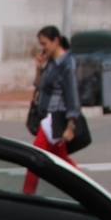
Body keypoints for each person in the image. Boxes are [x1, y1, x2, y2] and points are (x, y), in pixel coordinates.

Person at [24, 25, 81, 195]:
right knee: (63, 162)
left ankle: (27, 196)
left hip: (55, 120)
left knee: (34, 161)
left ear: (56, 41)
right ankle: (89, 192)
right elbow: (40, 87)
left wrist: (70, 125)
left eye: (45, 43)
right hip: (46, 119)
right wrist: (39, 69)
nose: (42, 48)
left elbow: (72, 96)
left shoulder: (66, 64)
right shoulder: (50, 62)